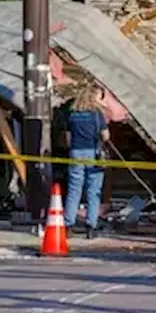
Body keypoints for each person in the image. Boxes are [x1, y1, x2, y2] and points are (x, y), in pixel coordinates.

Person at [63, 84, 109, 238]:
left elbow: (68, 139)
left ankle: (68, 225)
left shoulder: (73, 114)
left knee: (74, 190)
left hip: (76, 152)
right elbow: (105, 136)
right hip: (93, 153)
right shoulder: (96, 114)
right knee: (93, 191)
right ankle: (91, 226)